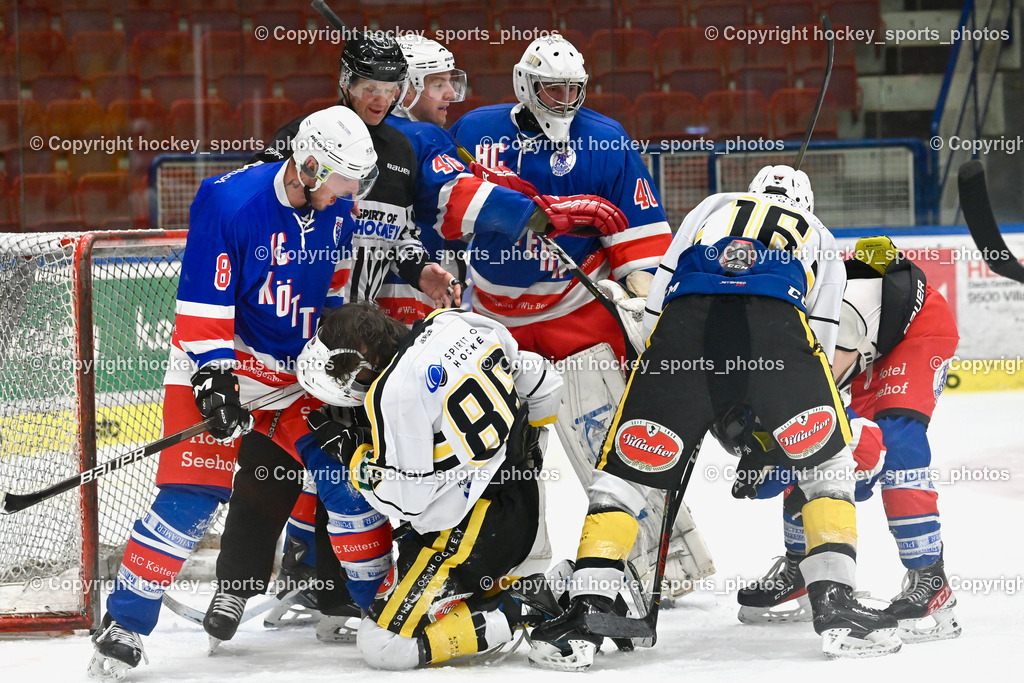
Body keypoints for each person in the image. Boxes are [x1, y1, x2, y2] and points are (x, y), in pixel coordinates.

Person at [208, 32, 633, 644]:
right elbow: (267, 225)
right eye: (367, 88)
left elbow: (397, 232)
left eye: (388, 88)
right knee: (269, 460)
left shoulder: (402, 151)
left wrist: (418, 267)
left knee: (344, 466)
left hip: (364, 333)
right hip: (290, 327)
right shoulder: (302, 143)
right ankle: (237, 581)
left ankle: (337, 592)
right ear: (345, 85)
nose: (378, 99)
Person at [527, 166, 904, 671]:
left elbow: (659, 302)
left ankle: (586, 614)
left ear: (750, 193)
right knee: (826, 469)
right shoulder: (821, 235)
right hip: (775, 330)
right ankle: (836, 609)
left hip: (685, 330)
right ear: (807, 204)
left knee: (622, 478)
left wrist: (675, 389)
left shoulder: (712, 208)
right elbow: (820, 338)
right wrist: (769, 408)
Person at [87, 106, 378, 680]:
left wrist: (334, 353)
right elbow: (203, 306)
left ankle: (383, 611)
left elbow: (332, 295)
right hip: (224, 365)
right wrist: (216, 381)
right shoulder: (229, 201)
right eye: (345, 177)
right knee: (190, 499)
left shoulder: (337, 208)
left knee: (349, 485)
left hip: (296, 380)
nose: (352, 191)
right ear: (311, 165)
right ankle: (123, 625)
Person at [448, 33, 712, 601]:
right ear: (525, 84)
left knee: (607, 442)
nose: (565, 99)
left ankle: (660, 563)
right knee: (502, 456)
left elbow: (638, 240)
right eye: (553, 88)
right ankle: (517, 568)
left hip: (577, 310)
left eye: (575, 88)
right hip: (495, 322)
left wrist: (644, 303)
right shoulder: (474, 132)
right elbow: (444, 211)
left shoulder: (605, 141)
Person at [297, 302, 566, 670]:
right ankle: (544, 582)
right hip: (524, 500)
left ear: (361, 358)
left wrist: (355, 457)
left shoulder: (392, 392)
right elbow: (542, 381)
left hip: (472, 535)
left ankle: (520, 606)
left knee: (383, 646)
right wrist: (524, 455)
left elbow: (409, 502)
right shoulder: (455, 320)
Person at [733, 235, 962, 642]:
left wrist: (772, 458)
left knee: (895, 442)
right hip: (856, 337)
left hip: (913, 330)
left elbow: (817, 418)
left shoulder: (821, 324)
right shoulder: (756, 331)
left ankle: (931, 579)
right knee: (803, 439)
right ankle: (801, 566)